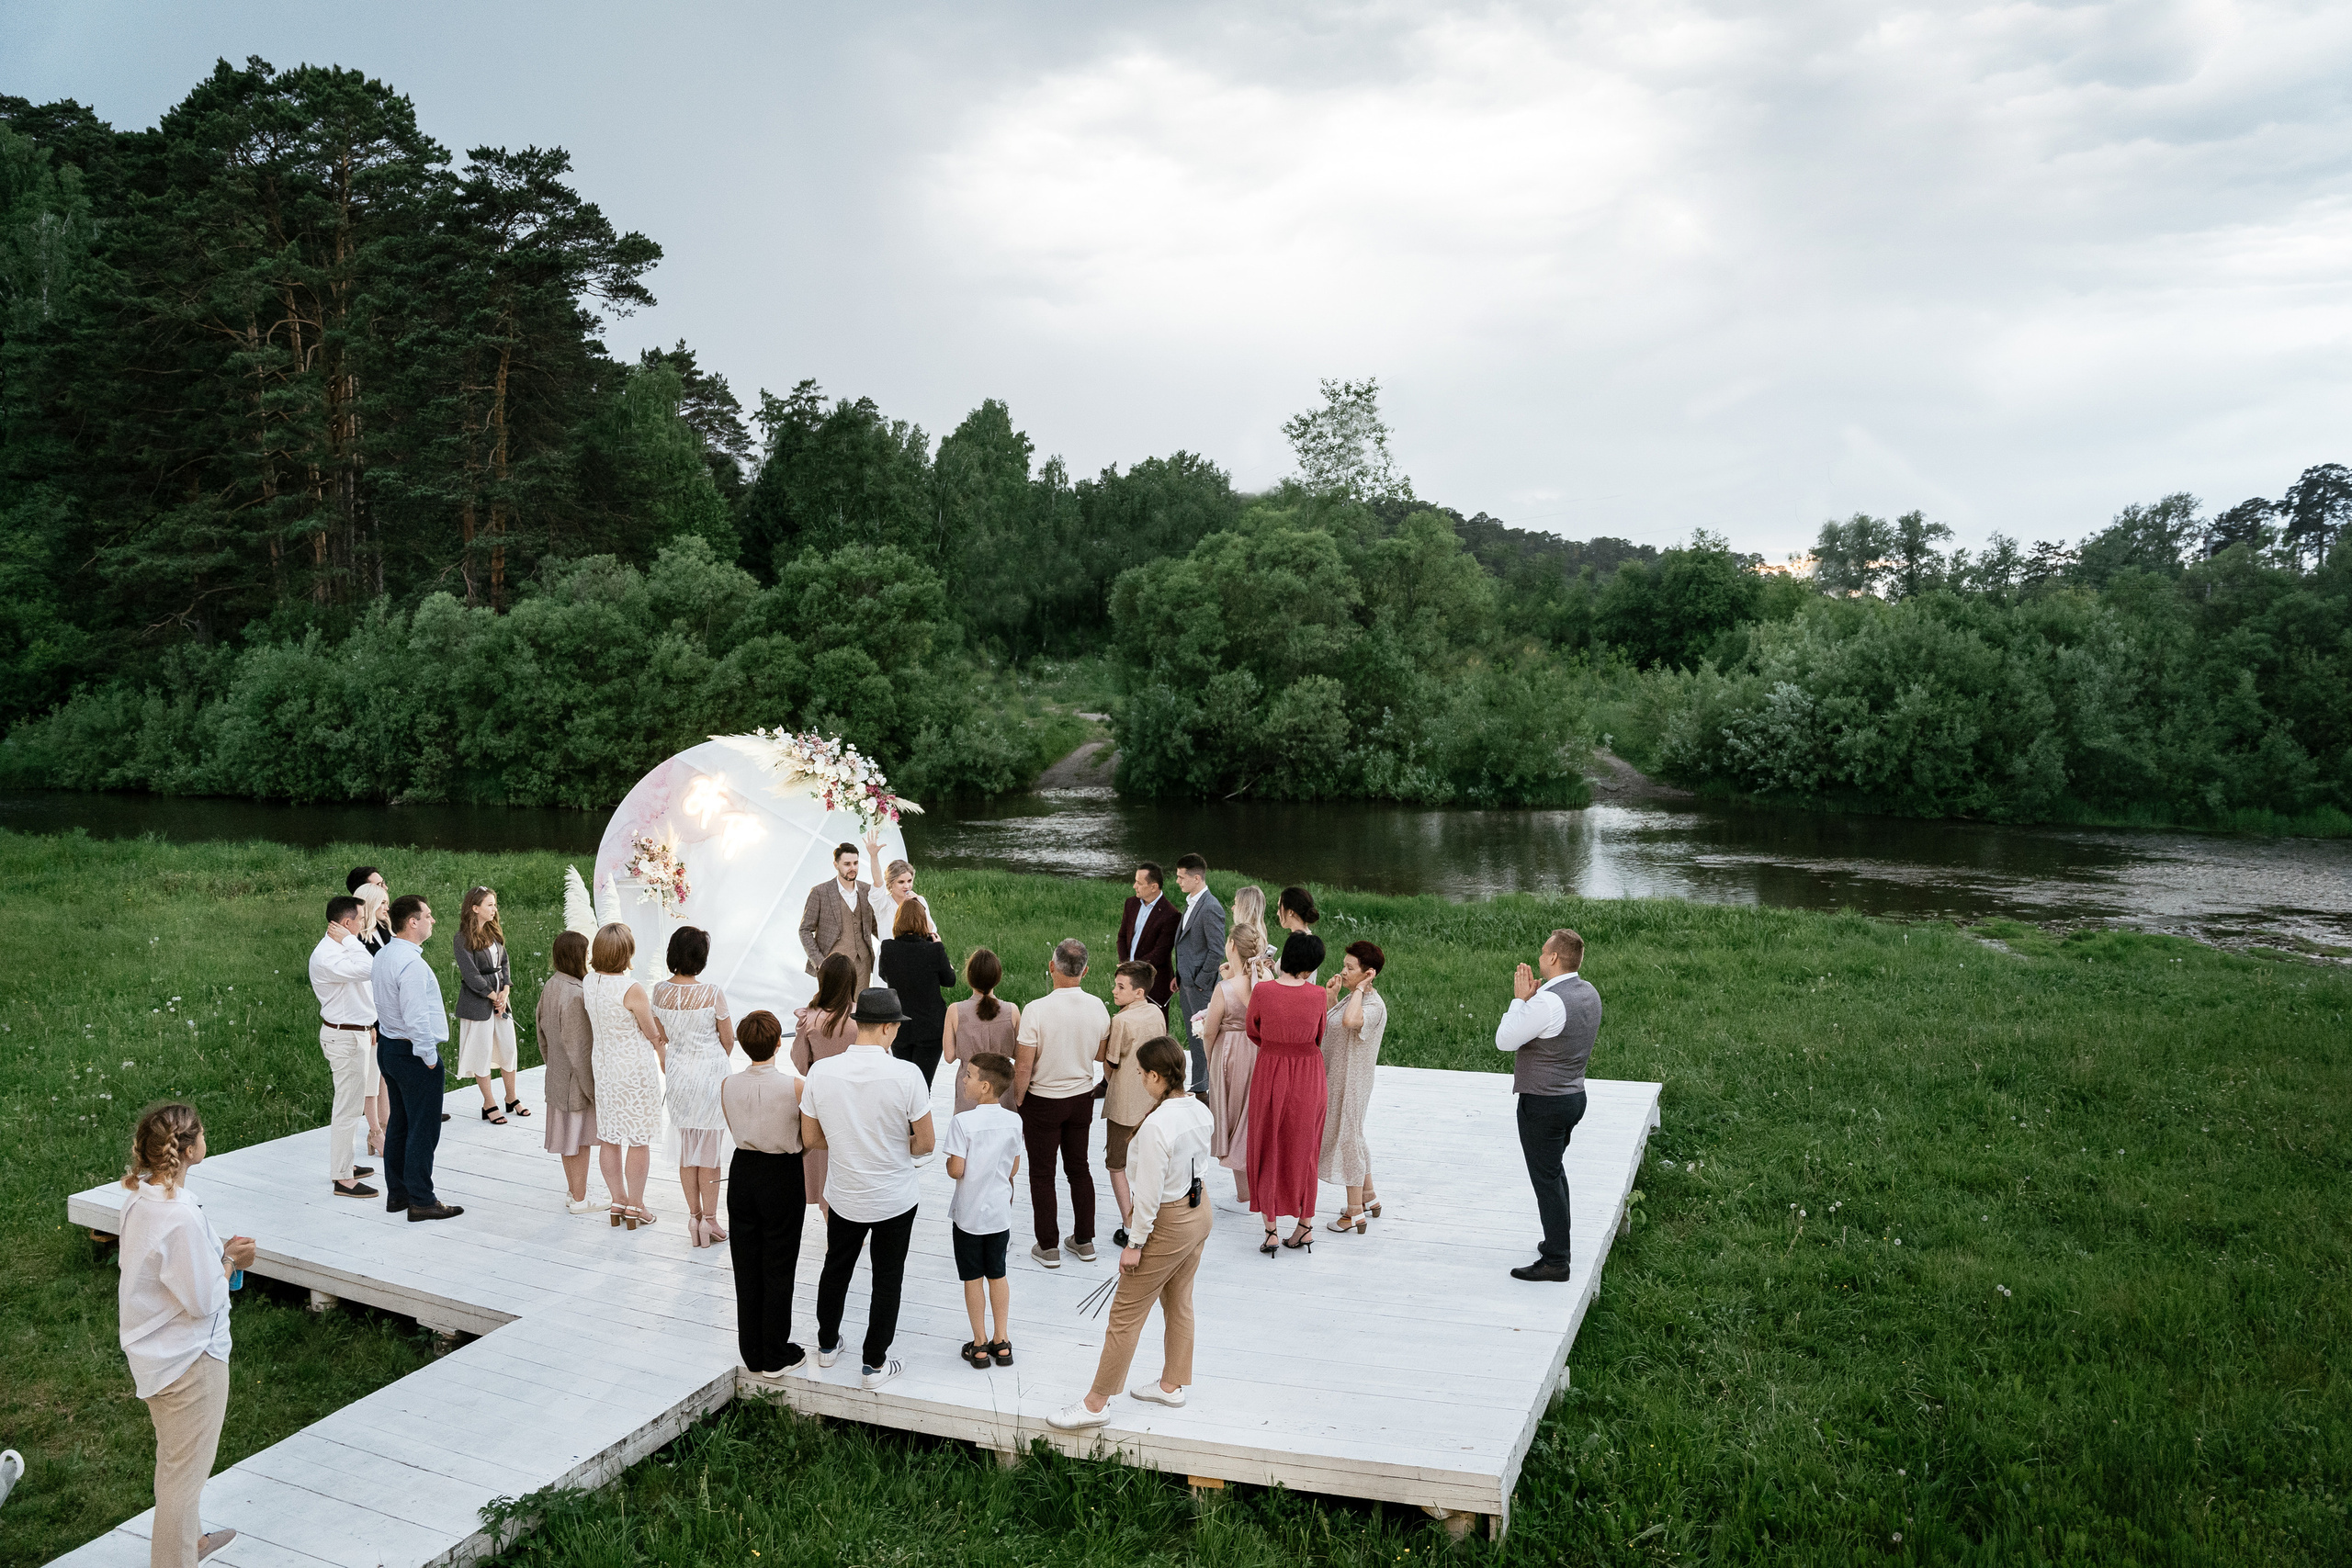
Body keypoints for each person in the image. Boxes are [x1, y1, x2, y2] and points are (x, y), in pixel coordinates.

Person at [1046, 1036, 1214, 1431]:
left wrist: (1134, 1244)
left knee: (1124, 1314)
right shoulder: (1199, 1108)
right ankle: (1171, 1385)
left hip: (1168, 1220)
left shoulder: (1157, 1125)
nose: (1139, 1079)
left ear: (1156, 1076)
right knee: (1179, 1301)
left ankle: (1095, 1403)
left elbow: (1150, 1196)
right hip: (1199, 1209)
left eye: (1141, 1073)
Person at [118, 1101, 254, 1566]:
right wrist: (233, 1261)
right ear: (190, 1149)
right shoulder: (179, 1217)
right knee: (183, 1474)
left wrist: (219, 1256)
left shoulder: (141, 1197)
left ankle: (192, 1540)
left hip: (158, 1352)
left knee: (178, 1459)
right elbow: (202, 1300)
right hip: (190, 1360)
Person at [799, 987, 934, 1389]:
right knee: (887, 1278)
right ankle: (874, 1364)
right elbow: (926, 1143)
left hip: (844, 1192)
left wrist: (847, 1140)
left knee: (836, 1267)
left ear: (860, 1025)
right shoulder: (907, 1074)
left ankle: (826, 1346)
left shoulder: (822, 1072)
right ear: (890, 1029)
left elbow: (810, 1137)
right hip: (894, 1195)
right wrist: (896, 1143)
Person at [1495, 928, 1601, 1283]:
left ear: (1554, 958)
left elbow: (1504, 1040)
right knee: (1554, 1173)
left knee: (1546, 1180)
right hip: (1573, 1098)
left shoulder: (1546, 1002)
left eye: (1543, 952)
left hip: (1543, 1104)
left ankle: (1557, 1261)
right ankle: (1556, 1243)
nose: (1539, 957)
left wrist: (1519, 1000)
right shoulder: (1588, 993)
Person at [1012, 938, 1111, 1269]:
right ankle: (1084, 1241)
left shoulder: (1035, 1010)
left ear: (1052, 967)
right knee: (1079, 1169)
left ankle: (1048, 1246)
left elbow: (1023, 1066)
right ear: (1085, 970)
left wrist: (1018, 1099)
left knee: (1042, 1174)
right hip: (1081, 1099)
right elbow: (1100, 1054)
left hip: (1043, 1100)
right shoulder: (1098, 1005)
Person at [721, 1010, 807, 1384]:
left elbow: (733, 1126)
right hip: (781, 1171)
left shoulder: (727, 1084)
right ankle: (776, 1351)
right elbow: (809, 1137)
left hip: (742, 1171)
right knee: (779, 1263)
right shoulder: (795, 1086)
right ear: (779, 1043)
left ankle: (752, 1350)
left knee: (746, 1262)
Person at [372, 896, 463, 1223]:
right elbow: (416, 1016)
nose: (433, 920)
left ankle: (398, 1194)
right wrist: (428, 1056)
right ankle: (422, 1199)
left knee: (400, 1123)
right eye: (428, 914)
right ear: (412, 921)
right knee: (423, 1128)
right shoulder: (410, 963)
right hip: (412, 1051)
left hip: (389, 1047)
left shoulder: (384, 954)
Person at [1244, 932, 1329, 1255]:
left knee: (1268, 1143)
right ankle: (1305, 1225)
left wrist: (1275, 1047)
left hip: (1271, 1069)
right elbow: (1320, 1034)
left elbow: (1253, 1029)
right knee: (1306, 1147)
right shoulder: (1319, 995)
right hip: (1309, 1073)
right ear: (1309, 968)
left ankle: (1270, 1230)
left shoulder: (1263, 991)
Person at [655, 926, 736, 1247]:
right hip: (710, 1075)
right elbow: (728, 1039)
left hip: (678, 1077)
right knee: (710, 1153)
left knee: (687, 1152)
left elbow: (662, 1035)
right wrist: (714, 1059)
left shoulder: (659, 991)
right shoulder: (712, 992)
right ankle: (712, 1222)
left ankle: (694, 1218)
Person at [585, 922, 667, 1228]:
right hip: (632, 1069)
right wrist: (662, 1054)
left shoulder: (589, 981)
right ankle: (636, 1205)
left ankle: (617, 1201)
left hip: (604, 1067)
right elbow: (651, 1032)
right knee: (637, 1138)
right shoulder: (631, 989)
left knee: (609, 1136)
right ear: (626, 953)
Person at [944, 1050, 1022, 1369]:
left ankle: (978, 1344)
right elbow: (1013, 1169)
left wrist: (949, 1160)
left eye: (969, 1075)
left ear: (986, 1086)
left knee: (973, 1278)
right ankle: (1001, 1341)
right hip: (999, 1214)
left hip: (969, 1216)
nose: (964, 1079)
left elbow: (957, 1170)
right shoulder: (1014, 1120)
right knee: (998, 1274)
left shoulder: (963, 1122)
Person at [307, 896, 379, 1199]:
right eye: (360, 919)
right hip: (344, 1038)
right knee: (348, 1108)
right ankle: (342, 1177)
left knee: (351, 1105)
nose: (364, 924)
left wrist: (371, 1023)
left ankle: (345, 1164)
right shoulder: (329, 955)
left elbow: (361, 989)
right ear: (347, 923)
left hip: (357, 1032)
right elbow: (368, 969)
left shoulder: (341, 949)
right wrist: (351, 942)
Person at [536, 931, 606, 1215]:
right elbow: (580, 1050)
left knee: (568, 1139)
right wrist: (593, 1089)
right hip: (575, 1082)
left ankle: (573, 1190)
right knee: (578, 1141)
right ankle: (580, 1198)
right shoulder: (576, 994)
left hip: (555, 1074)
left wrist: (552, 1064)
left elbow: (542, 1035)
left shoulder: (551, 985)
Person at [1319, 941, 1388, 1232]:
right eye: (1344, 965)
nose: (1343, 971)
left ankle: (1353, 1211)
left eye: (1350, 968)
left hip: (1352, 1082)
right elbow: (1339, 1023)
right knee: (1354, 1136)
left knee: (1347, 1139)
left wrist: (1359, 990)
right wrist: (1332, 999)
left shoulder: (1372, 1004)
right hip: (1340, 1078)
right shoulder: (1352, 999)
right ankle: (1369, 1196)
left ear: (1368, 973)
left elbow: (1351, 1023)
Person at [1203, 923, 1267, 1206]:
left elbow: (1209, 1030)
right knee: (1251, 1120)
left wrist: (1210, 1058)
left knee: (1231, 1120)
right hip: (1260, 1053)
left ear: (1231, 946)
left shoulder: (1225, 988)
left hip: (1229, 1055)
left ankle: (1245, 1192)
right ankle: (1258, 1186)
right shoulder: (1267, 980)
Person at [792, 953, 860, 1211]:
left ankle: (832, 1228)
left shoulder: (809, 1019)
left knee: (823, 1162)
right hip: (857, 1097)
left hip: (820, 1100)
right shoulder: (860, 1017)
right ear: (851, 981)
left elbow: (800, 1063)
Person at [1099, 961, 1163, 1230]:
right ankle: (1149, 1217)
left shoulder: (1121, 1020)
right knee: (1148, 1166)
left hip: (1124, 1106)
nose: (1114, 991)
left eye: (1121, 986)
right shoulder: (1157, 1013)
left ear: (1138, 992)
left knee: (1116, 1164)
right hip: (1153, 1102)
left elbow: (1109, 1064)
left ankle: (1129, 1222)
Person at [454, 886, 524, 1124]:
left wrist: (505, 990)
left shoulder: (494, 932)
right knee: (482, 1052)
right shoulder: (462, 938)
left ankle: (511, 1097)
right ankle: (488, 1102)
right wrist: (493, 996)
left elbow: (504, 962)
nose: (495, 909)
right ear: (475, 908)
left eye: (495, 904)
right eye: (490, 905)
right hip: (479, 1003)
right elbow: (471, 975)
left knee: (508, 1047)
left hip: (501, 1000)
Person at [876, 897, 953, 1088]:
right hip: (930, 1026)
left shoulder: (887, 948)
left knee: (903, 1085)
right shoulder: (934, 949)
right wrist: (938, 947)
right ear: (922, 920)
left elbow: (884, 975)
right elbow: (949, 981)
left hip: (899, 1026)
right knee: (922, 1086)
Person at [941, 947, 1020, 1120]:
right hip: (1002, 1090)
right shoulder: (1012, 1011)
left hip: (970, 1088)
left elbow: (948, 1056)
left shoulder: (955, 1011)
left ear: (970, 978)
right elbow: (1018, 1053)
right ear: (997, 978)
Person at [1170, 854, 1226, 1093]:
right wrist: (1179, 976)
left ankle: (1204, 1088)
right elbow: (1187, 944)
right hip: (1186, 982)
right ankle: (1198, 1083)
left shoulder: (1211, 907)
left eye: (1181, 877)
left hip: (1201, 986)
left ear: (1196, 878)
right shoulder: (1192, 901)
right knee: (1193, 1036)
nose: (1177, 881)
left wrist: (1202, 981)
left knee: (1203, 1036)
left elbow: (1216, 951)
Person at [798, 840, 880, 994]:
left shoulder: (866, 890)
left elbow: (876, 926)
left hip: (863, 964)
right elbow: (804, 930)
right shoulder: (820, 892)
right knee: (834, 1011)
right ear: (836, 865)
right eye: (847, 864)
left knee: (858, 1011)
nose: (853, 868)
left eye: (856, 863)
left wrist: (898, 938)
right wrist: (820, 963)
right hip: (833, 966)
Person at [351, 882, 393, 1156]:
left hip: (386, 1011)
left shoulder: (384, 932)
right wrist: (371, 1022)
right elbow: (362, 985)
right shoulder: (357, 942)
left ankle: (387, 1124)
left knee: (383, 1076)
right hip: (369, 1015)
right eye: (382, 904)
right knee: (370, 1078)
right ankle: (375, 1131)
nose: (386, 908)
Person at [1115, 863, 1180, 1011]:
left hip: (1154, 981)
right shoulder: (1131, 903)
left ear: (1153, 887)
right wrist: (1125, 964)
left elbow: (1160, 953)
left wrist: (1133, 968)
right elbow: (1122, 936)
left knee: (1154, 1027)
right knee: (1127, 1021)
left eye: (1139, 883)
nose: (1134, 886)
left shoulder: (1171, 914)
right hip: (1127, 979)